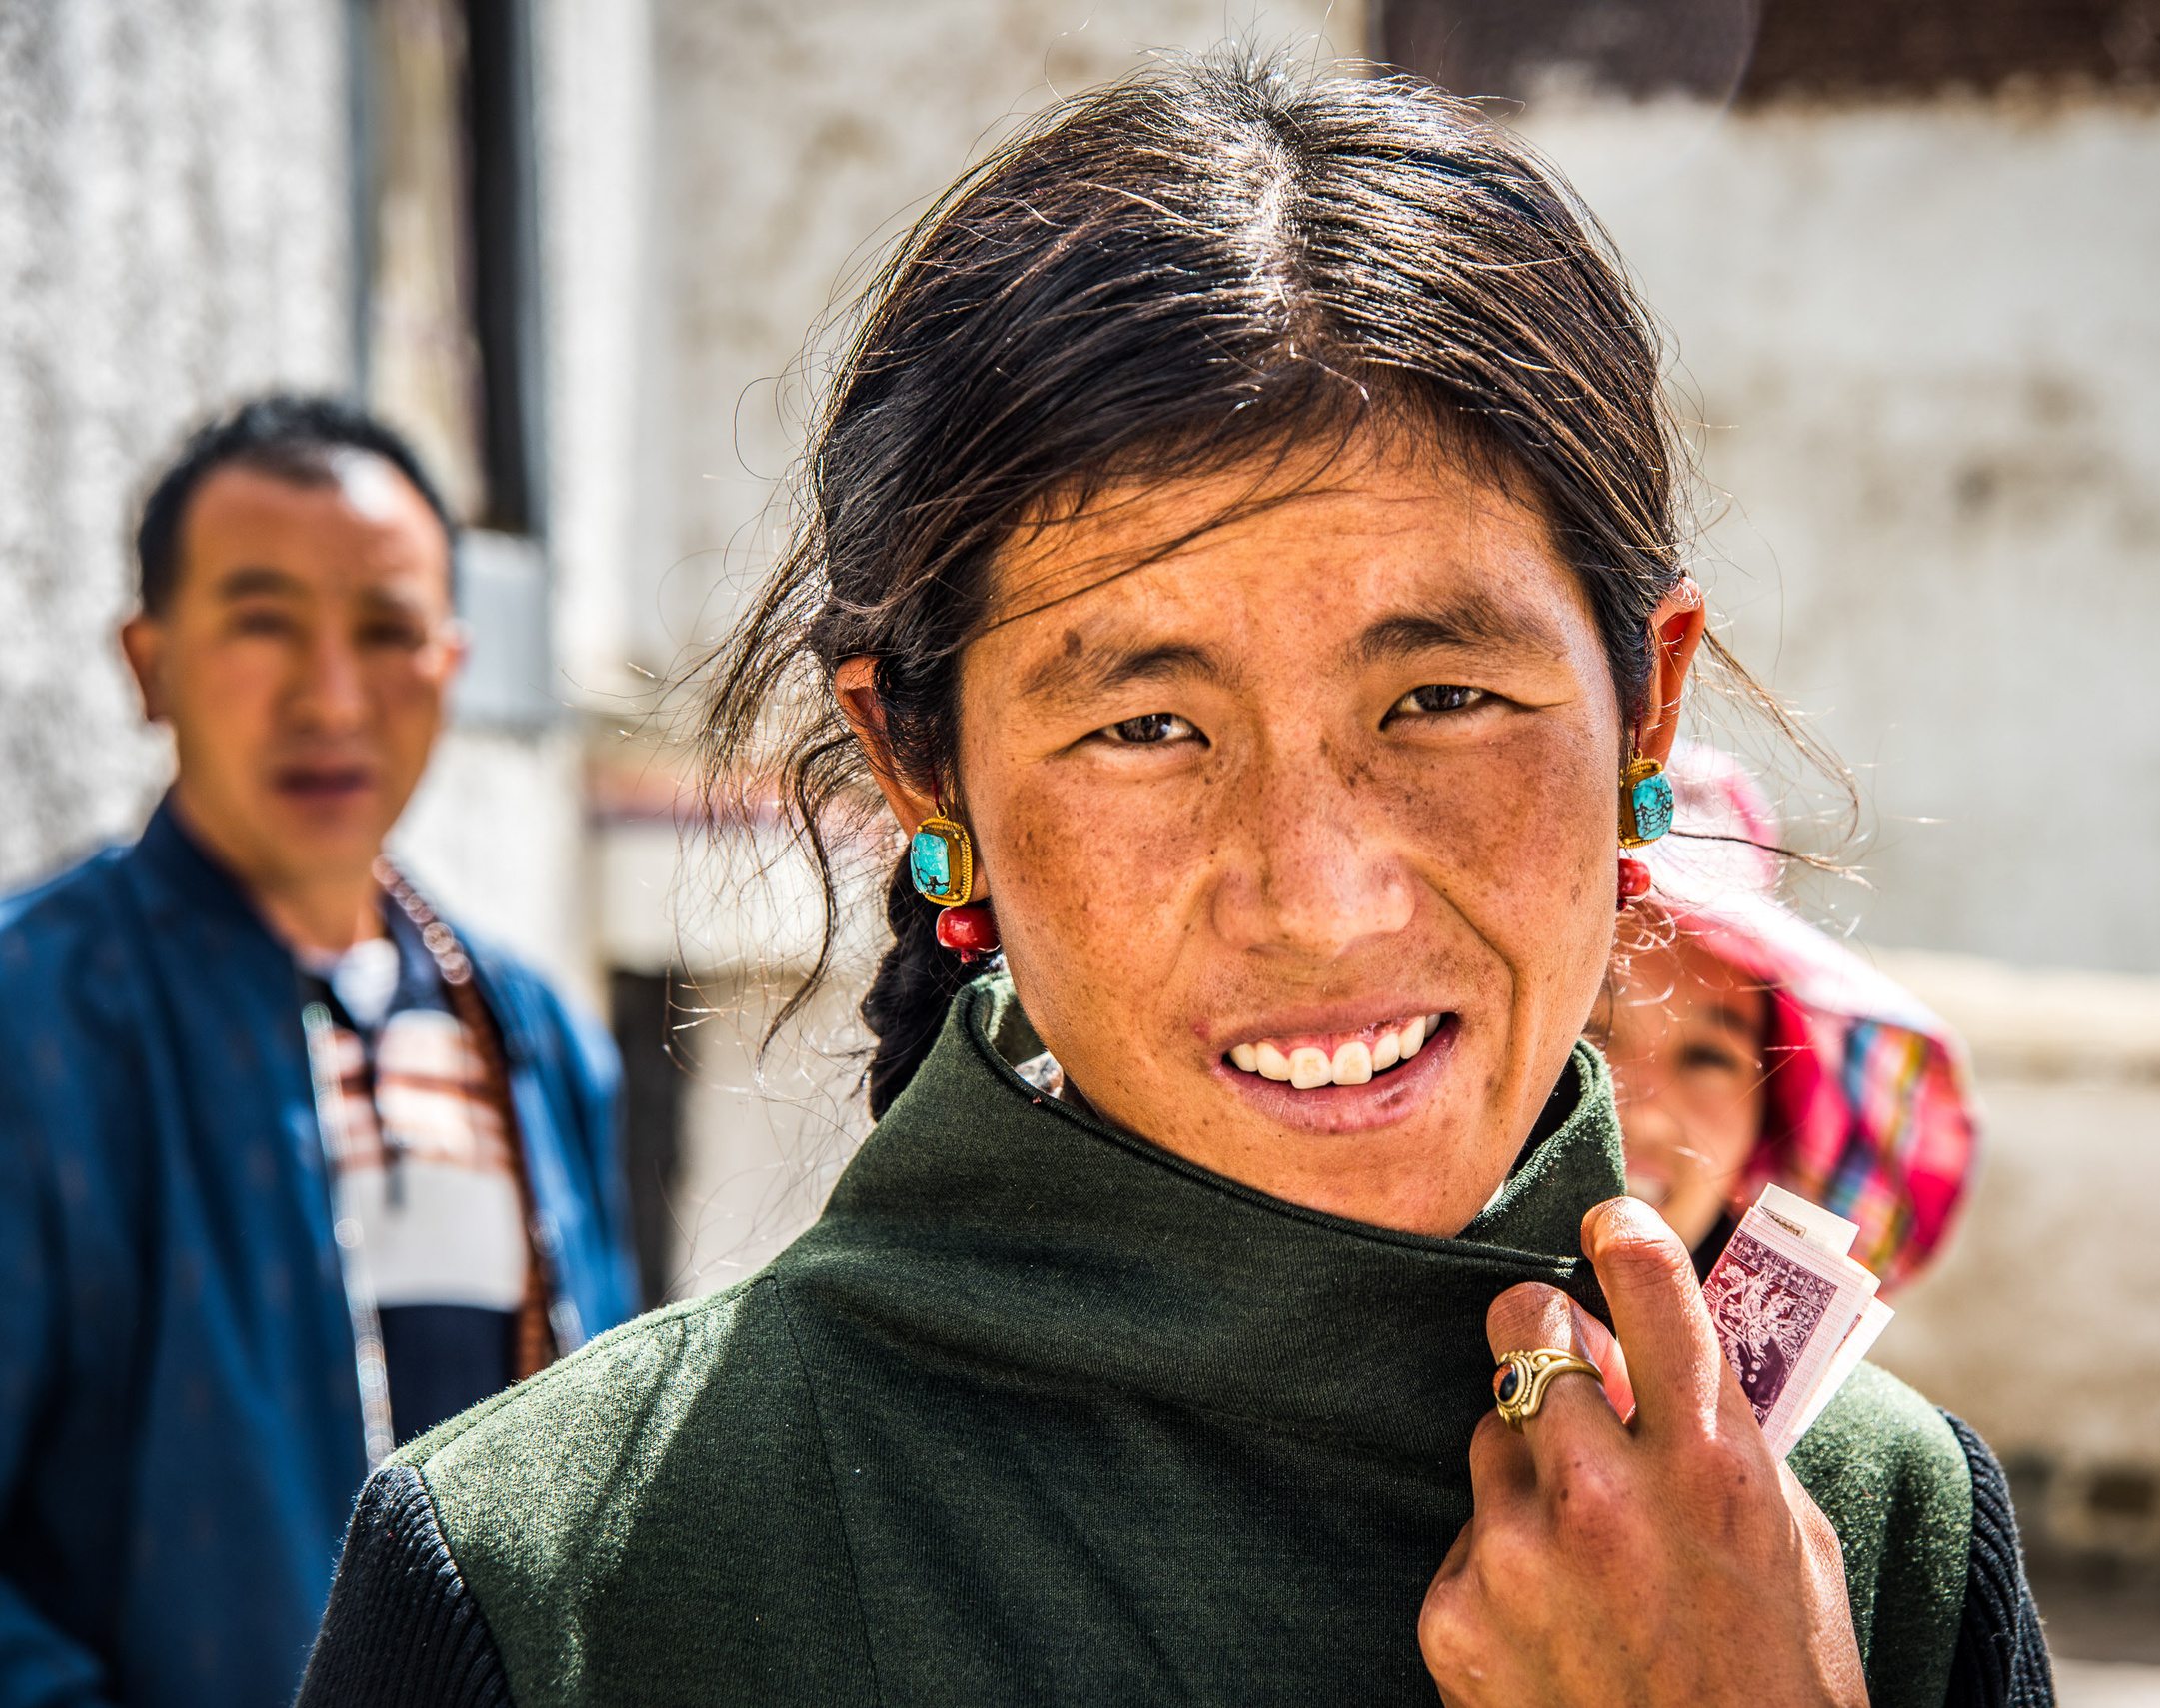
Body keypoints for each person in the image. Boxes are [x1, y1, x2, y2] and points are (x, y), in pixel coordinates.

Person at [298, 57, 2050, 1708]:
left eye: (1441, 698)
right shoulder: (557, 1583)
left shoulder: (1875, 1534)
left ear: (1647, 700)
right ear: (929, 770)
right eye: (1144, 723)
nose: (1321, 894)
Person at [0, 395, 639, 1708]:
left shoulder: (529, 1037)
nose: (332, 695)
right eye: (262, 622)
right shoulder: (35, 1012)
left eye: (388, 630)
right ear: (149, 661)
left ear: (452, 664)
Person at [1598, 741, 1979, 1292]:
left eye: (1710, 1058)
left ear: (1762, 1133)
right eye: (1590, 1033)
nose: (1640, 1113)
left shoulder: (1820, 1385)